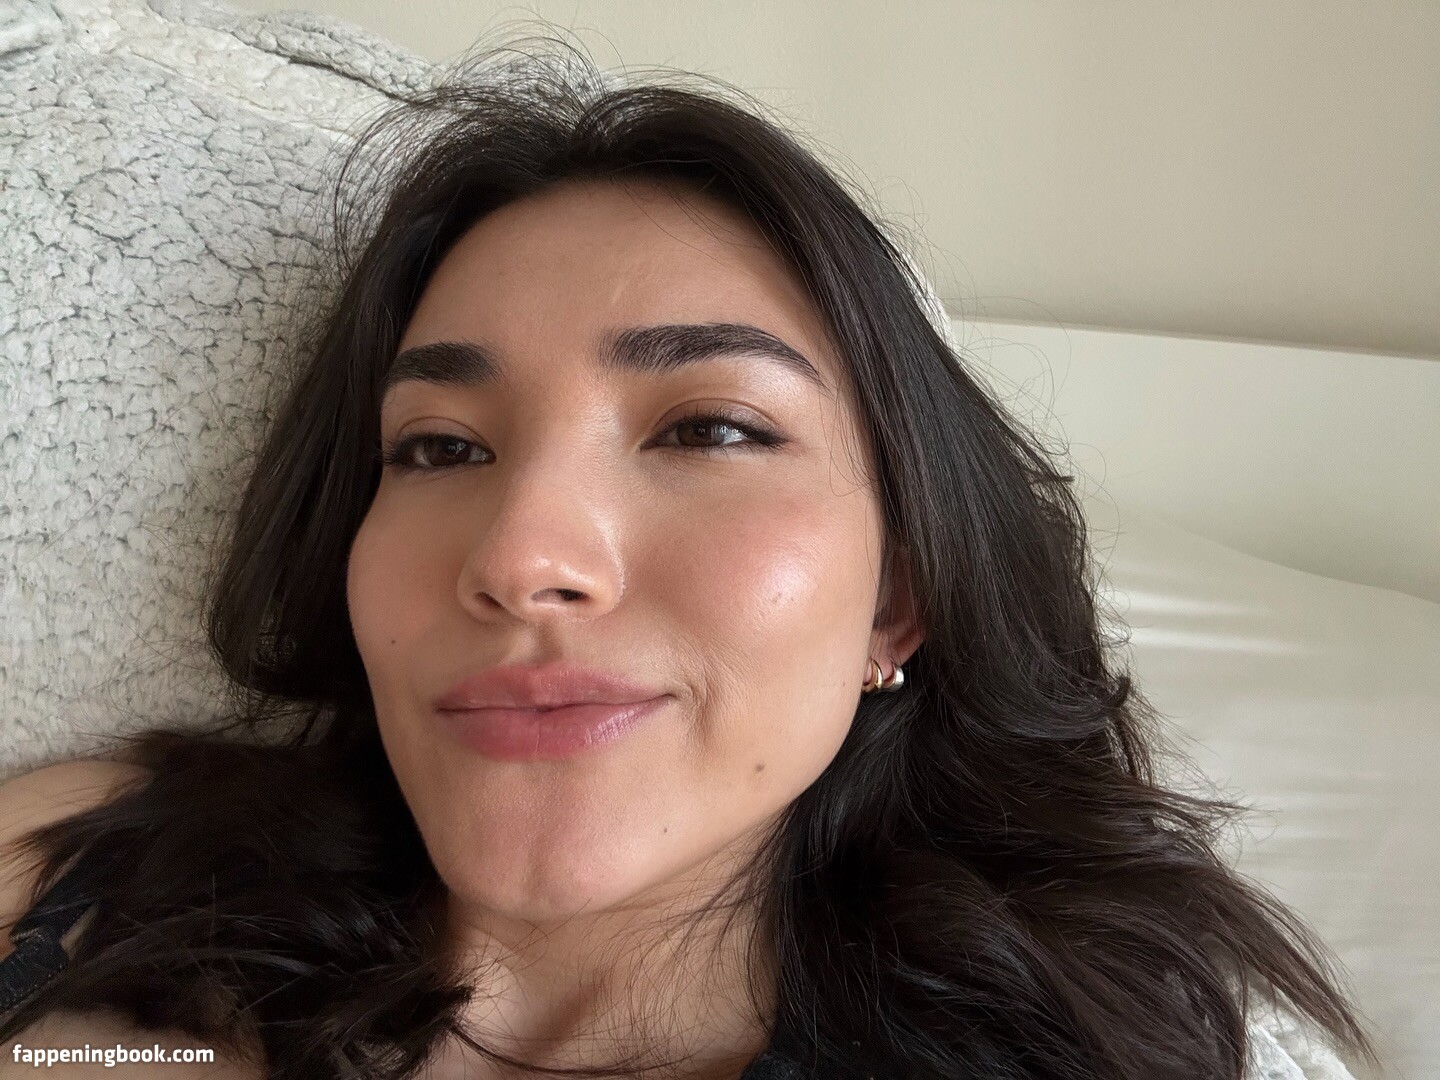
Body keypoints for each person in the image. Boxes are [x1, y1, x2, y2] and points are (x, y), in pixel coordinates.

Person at [0, 43, 1376, 1080]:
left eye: (709, 428)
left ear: (897, 598)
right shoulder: (80, 874)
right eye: (438, 447)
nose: (523, 558)